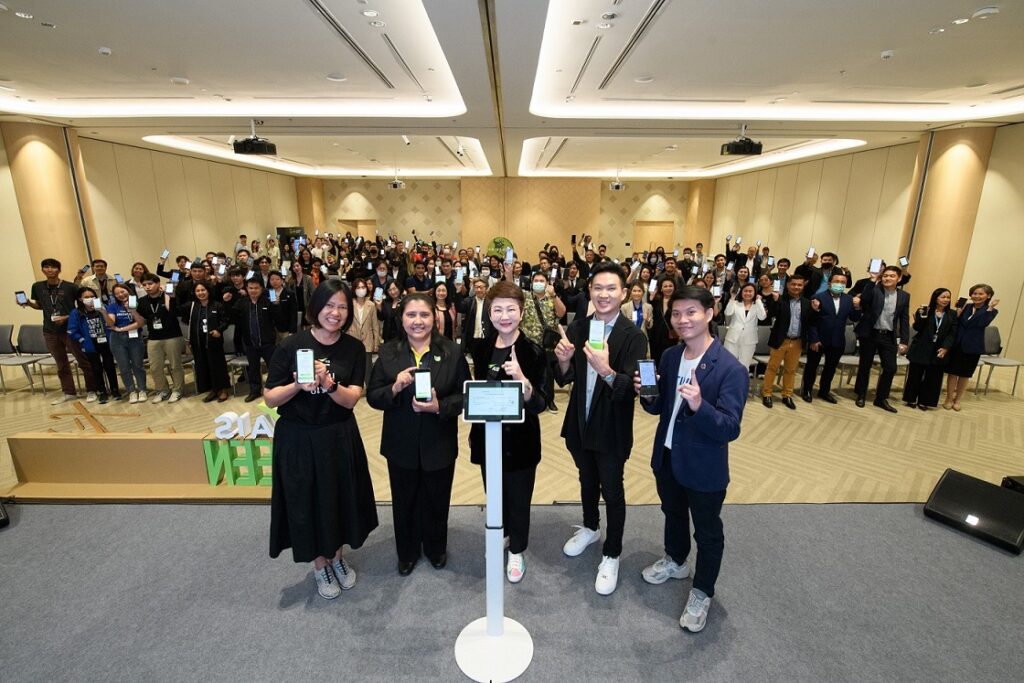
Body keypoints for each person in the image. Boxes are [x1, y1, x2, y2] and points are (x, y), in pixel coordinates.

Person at [637, 284, 748, 633]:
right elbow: (661, 408)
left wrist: (700, 406)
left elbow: (730, 427)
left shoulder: (730, 368)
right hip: (668, 454)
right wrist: (647, 394)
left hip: (704, 466)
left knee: (708, 532)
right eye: (676, 313)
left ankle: (702, 591)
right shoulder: (671, 357)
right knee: (672, 513)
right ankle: (676, 559)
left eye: (691, 312)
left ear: (709, 313)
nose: (682, 320)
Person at [265, 280, 378, 600]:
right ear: (316, 307)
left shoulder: (353, 348)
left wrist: (328, 384)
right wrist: (298, 386)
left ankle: (337, 557)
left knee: (338, 498)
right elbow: (270, 398)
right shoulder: (291, 345)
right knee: (306, 501)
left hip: (338, 435)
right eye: (329, 305)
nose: (335, 313)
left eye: (342, 307)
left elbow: (351, 399)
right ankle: (320, 565)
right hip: (298, 438)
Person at [553, 262, 647, 595]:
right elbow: (565, 377)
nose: (603, 294)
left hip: (612, 427)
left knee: (613, 489)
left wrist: (606, 370)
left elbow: (630, 389)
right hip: (579, 423)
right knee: (586, 479)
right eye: (597, 288)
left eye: (611, 289)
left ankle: (612, 553)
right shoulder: (579, 327)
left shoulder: (633, 335)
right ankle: (591, 527)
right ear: (590, 292)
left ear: (623, 293)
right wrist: (563, 359)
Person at [367, 293, 470, 576]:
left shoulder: (452, 351)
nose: (418, 321)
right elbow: (373, 396)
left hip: (439, 442)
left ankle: (436, 548)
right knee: (404, 501)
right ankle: (408, 552)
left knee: (437, 499)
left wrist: (440, 407)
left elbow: (466, 396)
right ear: (401, 319)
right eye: (411, 315)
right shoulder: (388, 352)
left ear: (434, 318)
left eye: (424, 315)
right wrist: (394, 388)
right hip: (400, 443)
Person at [468, 281, 548, 583]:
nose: (504, 316)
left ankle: (517, 549)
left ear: (522, 312)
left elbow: (540, 403)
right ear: (489, 313)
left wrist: (523, 381)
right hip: (488, 437)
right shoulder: (481, 348)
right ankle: (500, 534)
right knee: (495, 493)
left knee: (518, 498)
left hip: (521, 441)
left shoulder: (533, 351)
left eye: (511, 309)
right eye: (498, 309)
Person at [21, 258, 98, 404]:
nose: (50, 270)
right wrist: (28, 303)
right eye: (46, 267)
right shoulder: (37, 286)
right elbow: (40, 306)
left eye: (53, 267)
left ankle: (92, 390)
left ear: (59, 270)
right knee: (61, 364)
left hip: (71, 329)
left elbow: (83, 307)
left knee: (83, 361)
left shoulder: (70, 287)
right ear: (42, 270)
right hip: (49, 330)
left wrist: (66, 317)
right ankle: (69, 392)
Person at [852, 265, 910, 412]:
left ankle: (881, 398)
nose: (887, 278)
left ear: (899, 278)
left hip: (888, 336)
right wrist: (873, 280)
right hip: (870, 333)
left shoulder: (904, 296)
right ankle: (861, 394)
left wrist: (904, 340)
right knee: (865, 366)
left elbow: (904, 319)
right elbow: (864, 301)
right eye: (885, 275)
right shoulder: (874, 289)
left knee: (891, 368)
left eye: (891, 276)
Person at [801, 271, 860, 403]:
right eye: (836, 282)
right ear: (829, 283)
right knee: (812, 366)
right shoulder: (818, 297)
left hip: (837, 340)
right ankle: (807, 390)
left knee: (830, 368)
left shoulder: (848, 299)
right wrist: (814, 339)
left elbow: (854, 318)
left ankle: (824, 391)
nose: (839, 284)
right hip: (819, 339)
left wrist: (857, 307)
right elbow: (811, 321)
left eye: (843, 282)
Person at [760, 274, 813, 409]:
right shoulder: (780, 299)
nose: (796, 287)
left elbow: (810, 322)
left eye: (799, 285)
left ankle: (787, 395)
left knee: (791, 370)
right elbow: (771, 314)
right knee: (772, 368)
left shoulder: (807, 303)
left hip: (797, 341)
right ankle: (767, 393)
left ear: (803, 286)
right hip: (780, 340)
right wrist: (775, 300)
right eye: (793, 284)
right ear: (788, 285)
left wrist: (816, 310)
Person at [944, 284, 998, 411]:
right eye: (974, 293)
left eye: (980, 294)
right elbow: (956, 322)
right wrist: (957, 312)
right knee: (952, 373)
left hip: (973, 346)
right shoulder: (966, 306)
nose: (977, 296)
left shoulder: (991, 311)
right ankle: (949, 398)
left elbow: (983, 323)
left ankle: (958, 400)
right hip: (957, 345)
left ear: (988, 296)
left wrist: (990, 308)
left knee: (965, 374)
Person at [135, 273, 186, 403]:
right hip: (153, 337)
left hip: (172, 335)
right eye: (144, 285)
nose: (147, 287)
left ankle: (177, 390)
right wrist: (131, 311)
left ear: (158, 283)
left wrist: (168, 295)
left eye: (150, 284)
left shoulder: (168, 296)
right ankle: (163, 390)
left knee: (175, 365)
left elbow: (173, 311)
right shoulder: (142, 301)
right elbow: (142, 321)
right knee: (155, 367)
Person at [903, 288, 957, 411]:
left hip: (939, 349)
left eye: (948, 297)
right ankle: (911, 399)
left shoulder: (952, 314)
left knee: (933, 377)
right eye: (943, 297)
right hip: (921, 347)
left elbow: (952, 333)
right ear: (935, 298)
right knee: (915, 375)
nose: (946, 300)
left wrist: (946, 347)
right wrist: (922, 317)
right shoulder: (925, 310)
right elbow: (917, 327)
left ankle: (925, 401)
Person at [519, 270, 565, 413]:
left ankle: (549, 400)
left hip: (547, 345)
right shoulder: (525, 296)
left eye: (541, 281)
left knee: (548, 375)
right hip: (528, 343)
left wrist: (554, 295)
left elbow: (562, 312)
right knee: (528, 373)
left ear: (547, 283)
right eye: (536, 281)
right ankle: (528, 400)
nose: (538, 283)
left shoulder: (552, 298)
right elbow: (510, 287)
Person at [67, 287, 120, 403]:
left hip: (105, 342)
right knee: (96, 369)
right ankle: (102, 392)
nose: (90, 299)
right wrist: (82, 340)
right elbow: (71, 330)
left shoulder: (103, 308)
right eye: (86, 297)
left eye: (92, 296)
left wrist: (103, 311)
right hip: (90, 344)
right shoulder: (76, 313)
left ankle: (115, 390)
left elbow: (111, 323)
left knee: (110, 367)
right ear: (80, 299)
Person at [180, 281, 231, 402]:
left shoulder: (217, 305)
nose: (200, 293)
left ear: (208, 291)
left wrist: (219, 330)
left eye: (203, 290)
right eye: (197, 291)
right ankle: (212, 390)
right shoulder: (192, 306)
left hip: (214, 341)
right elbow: (178, 311)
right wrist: (170, 295)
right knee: (203, 366)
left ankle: (222, 389)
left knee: (217, 366)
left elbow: (225, 320)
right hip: (198, 342)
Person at [232, 278, 278, 402]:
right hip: (250, 342)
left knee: (273, 367)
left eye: (256, 288)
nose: (253, 290)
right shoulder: (242, 303)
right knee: (253, 368)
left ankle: (274, 389)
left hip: (267, 342)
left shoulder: (268, 302)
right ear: (247, 289)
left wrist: (276, 305)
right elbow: (233, 317)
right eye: (251, 288)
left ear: (261, 289)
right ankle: (255, 390)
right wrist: (227, 302)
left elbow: (278, 319)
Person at [105, 283, 148, 403]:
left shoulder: (138, 303)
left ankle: (142, 390)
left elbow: (141, 322)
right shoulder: (113, 306)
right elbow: (111, 323)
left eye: (122, 291)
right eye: (117, 293)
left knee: (138, 365)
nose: (120, 295)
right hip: (117, 339)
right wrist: (103, 313)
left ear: (128, 291)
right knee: (124, 367)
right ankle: (131, 391)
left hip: (135, 338)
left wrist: (132, 311)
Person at [722, 282, 766, 368]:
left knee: (744, 365)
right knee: (729, 364)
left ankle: (743, 377)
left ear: (754, 293)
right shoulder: (735, 303)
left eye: (750, 291)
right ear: (741, 292)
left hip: (749, 340)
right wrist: (732, 297)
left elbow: (762, 317)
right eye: (745, 291)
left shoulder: (757, 305)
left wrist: (758, 300)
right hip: (732, 338)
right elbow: (727, 312)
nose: (748, 293)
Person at [348, 278, 381, 385]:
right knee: (353, 367)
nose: (361, 289)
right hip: (352, 338)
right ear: (354, 289)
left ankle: (369, 389)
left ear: (366, 289)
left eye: (363, 287)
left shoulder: (371, 305)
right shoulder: (349, 304)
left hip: (367, 340)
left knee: (367, 369)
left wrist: (376, 342)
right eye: (358, 287)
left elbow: (375, 325)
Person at [457, 277, 492, 357]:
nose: (479, 290)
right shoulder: (469, 301)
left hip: (487, 339)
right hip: (473, 339)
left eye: (481, 287)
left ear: (486, 288)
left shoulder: (491, 302)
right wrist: (458, 292)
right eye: (476, 287)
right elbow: (459, 308)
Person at [649, 277, 678, 365]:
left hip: (670, 336)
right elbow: (650, 312)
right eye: (665, 286)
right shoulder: (656, 300)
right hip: (655, 336)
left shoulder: (677, 302)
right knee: (655, 360)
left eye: (670, 286)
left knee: (669, 361)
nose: (668, 288)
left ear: (674, 288)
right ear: (661, 288)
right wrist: (651, 297)